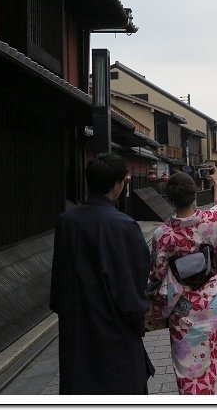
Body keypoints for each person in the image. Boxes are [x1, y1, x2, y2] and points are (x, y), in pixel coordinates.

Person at [50, 152, 155, 394]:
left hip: (76, 335)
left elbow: (60, 282)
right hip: (115, 336)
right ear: (118, 184)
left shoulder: (66, 222)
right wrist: (140, 318)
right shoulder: (124, 226)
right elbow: (133, 287)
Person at [145, 168, 217, 394]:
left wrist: (152, 303)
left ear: (170, 200)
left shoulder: (163, 235)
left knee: (187, 365)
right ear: (194, 196)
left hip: (183, 308)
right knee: (215, 356)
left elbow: (155, 274)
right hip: (213, 302)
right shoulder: (212, 221)